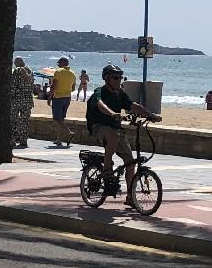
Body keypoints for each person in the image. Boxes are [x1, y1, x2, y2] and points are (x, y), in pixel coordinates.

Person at [86, 64, 159, 206]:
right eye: (115, 77)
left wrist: (151, 115)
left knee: (130, 162)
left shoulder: (120, 93)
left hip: (116, 129)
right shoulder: (99, 91)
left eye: (120, 77)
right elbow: (100, 104)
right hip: (99, 127)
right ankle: (107, 169)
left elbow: (133, 105)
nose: (119, 80)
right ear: (107, 78)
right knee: (112, 135)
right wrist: (112, 113)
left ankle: (131, 197)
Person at [49, 56, 77, 147]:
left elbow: (54, 85)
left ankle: (69, 133)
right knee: (61, 119)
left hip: (58, 97)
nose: (58, 65)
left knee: (56, 118)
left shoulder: (58, 71)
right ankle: (59, 139)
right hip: (67, 97)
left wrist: (50, 97)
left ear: (61, 63)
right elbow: (73, 88)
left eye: (58, 63)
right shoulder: (73, 73)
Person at [10, 56, 36, 148]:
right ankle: (23, 140)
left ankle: (12, 140)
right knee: (25, 120)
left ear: (16, 63)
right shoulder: (30, 70)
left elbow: (13, 85)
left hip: (17, 99)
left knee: (13, 120)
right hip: (28, 99)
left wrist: (10, 97)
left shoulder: (17, 71)